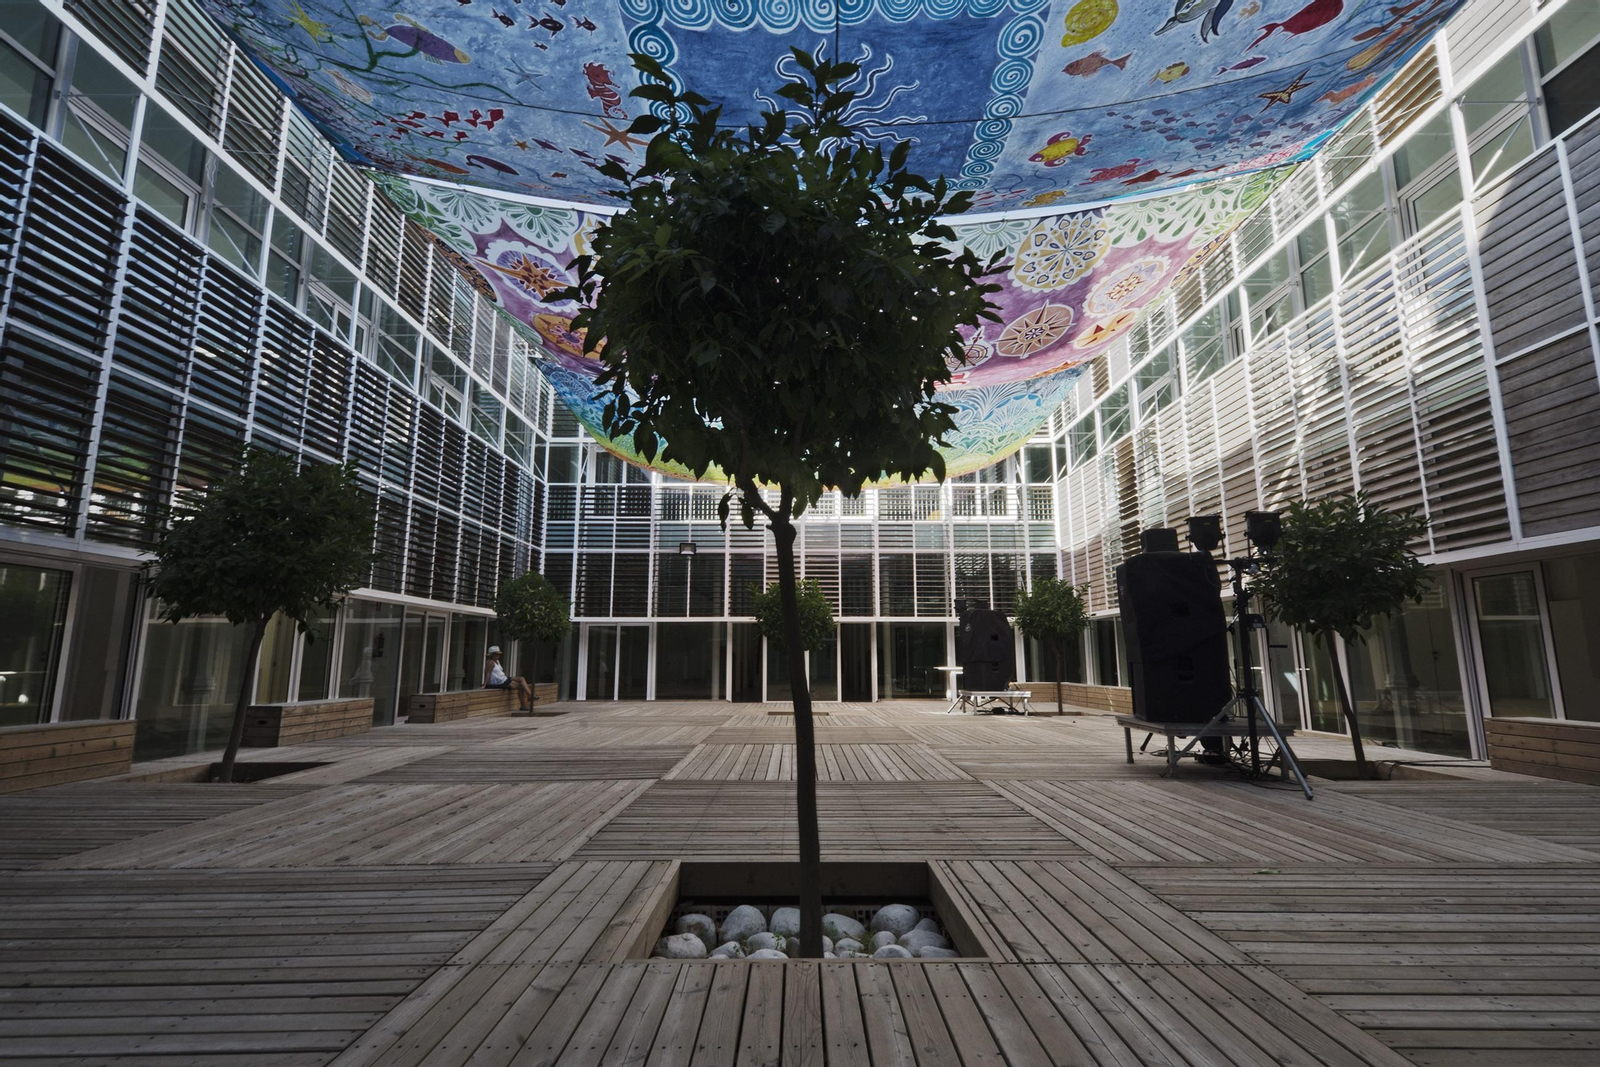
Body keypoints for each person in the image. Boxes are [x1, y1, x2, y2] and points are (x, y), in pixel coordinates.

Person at [484, 646, 532, 711]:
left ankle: (524, 703)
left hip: (503, 679)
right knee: (521, 679)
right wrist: (485, 685)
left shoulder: (497, 662)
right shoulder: (490, 662)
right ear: (493, 655)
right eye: (497, 654)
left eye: (499, 654)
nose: (498, 656)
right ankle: (529, 696)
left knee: (521, 685)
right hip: (499, 682)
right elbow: (488, 673)